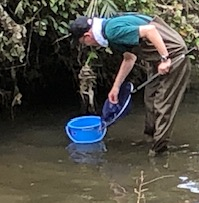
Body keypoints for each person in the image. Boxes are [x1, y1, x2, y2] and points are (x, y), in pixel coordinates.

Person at [69, 13, 191, 156]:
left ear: (87, 36)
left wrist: (165, 59)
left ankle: (158, 151)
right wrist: (116, 87)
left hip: (173, 56)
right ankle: (149, 139)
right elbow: (129, 58)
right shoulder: (108, 31)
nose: (87, 45)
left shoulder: (111, 30)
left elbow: (150, 30)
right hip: (157, 59)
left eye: (84, 43)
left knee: (162, 103)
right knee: (150, 99)